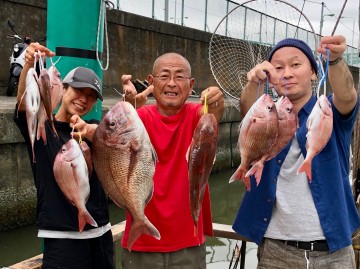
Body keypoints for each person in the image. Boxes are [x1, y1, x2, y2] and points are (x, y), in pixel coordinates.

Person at [232, 36, 360, 268]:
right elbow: (248, 110)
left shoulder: (328, 112)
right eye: (278, 68)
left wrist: (336, 60)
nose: (287, 73)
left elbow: (348, 95)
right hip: (276, 249)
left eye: (296, 65)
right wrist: (253, 82)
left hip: (334, 251)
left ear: (313, 72)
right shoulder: (267, 114)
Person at [14, 42, 115, 269]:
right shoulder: (42, 129)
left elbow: (118, 143)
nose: (84, 99)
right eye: (79, 90)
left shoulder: (94, 128)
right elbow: (24, 107)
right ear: (64, 88)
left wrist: (91, 132)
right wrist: (29, 63)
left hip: (101, 235)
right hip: (62, 240)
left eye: (91, 96)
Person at [120, 52, 225, 268]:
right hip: (141, 244)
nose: (172, 83)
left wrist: (215, 100)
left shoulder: (197, 115)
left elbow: (213, 115)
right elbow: (111, 137)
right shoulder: (138, 119)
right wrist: (127, 106)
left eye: (179, 77)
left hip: (189, 243)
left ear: (191, 84)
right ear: (151, 81)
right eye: (164, 76)